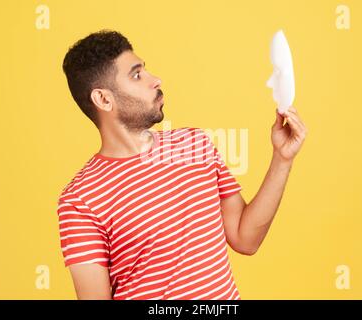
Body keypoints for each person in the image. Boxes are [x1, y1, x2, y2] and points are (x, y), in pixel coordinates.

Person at [57, 30, 307, 300]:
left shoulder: (195, 144)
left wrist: (282, 158)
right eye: (136, 75)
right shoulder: (80, 199)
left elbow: (245, 239)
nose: (156, 80)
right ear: (104, 99)